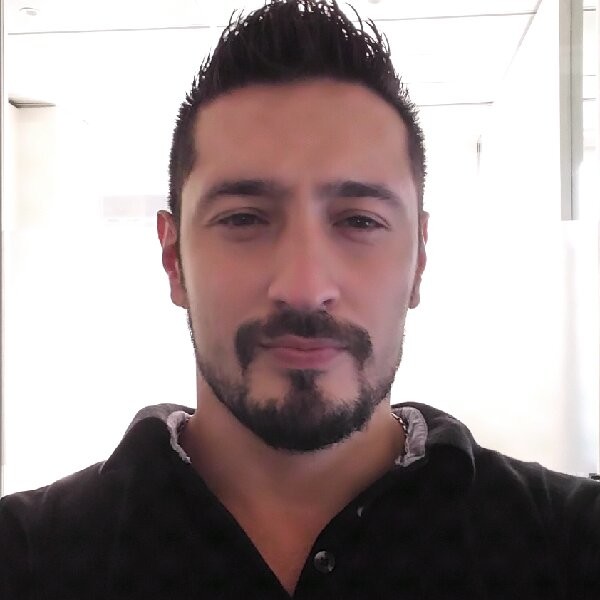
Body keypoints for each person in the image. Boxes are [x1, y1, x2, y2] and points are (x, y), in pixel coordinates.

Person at [1, 0, 599, 598]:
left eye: (359, 221)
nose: (306, 287)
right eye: (243, 218)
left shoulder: (572, 545)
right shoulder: (28, 559)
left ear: (418, 258)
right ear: (173, 257)